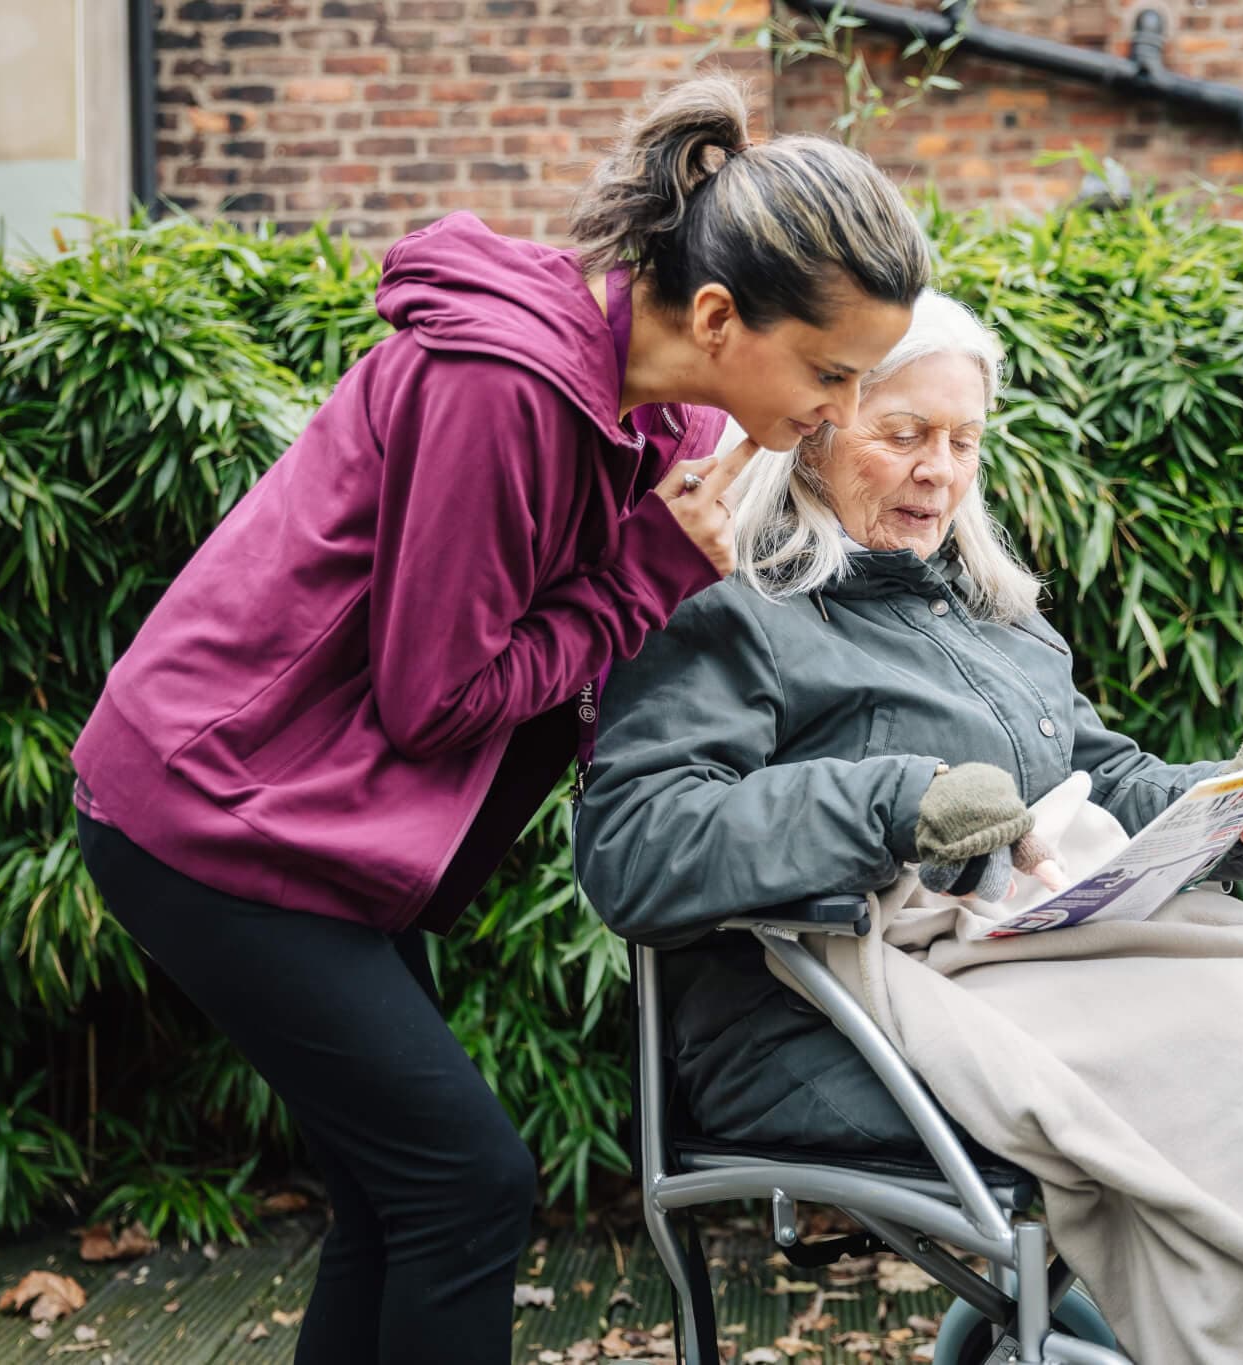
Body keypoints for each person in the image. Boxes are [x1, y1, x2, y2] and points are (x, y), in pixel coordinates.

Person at [69, 74, 929, 1365]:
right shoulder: (505, 387)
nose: (838, 410)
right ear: (715, 313)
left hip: (303, 820)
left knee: (401, 1196)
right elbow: (436, 701)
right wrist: (649, 570)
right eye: (829, 371)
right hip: (213, 808)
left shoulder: (667, 419)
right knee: (464, 1184)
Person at [574, 290, 1243, 1364]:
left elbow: (1093, 780)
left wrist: (1238, 804)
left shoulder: (982, 612)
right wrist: (896, 803)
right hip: (811, 1013)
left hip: (1020, 962)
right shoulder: (727, 606)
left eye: (963, 441)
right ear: (806, 431)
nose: (939, 472)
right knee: (1224, 1048)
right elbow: (636, 843)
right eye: (903, 434)